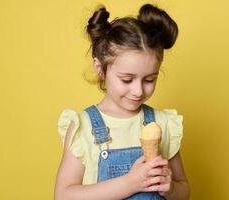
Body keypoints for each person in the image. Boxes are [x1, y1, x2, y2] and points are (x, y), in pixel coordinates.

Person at [55, 3, 190, 200]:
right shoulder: (83, 127)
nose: (138, 90)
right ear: (101, 69)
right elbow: (63, 196)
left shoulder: (163, 124)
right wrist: (131, 182)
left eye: (149, 79)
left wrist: (170, 189)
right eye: (127, 79)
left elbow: (184, 191)